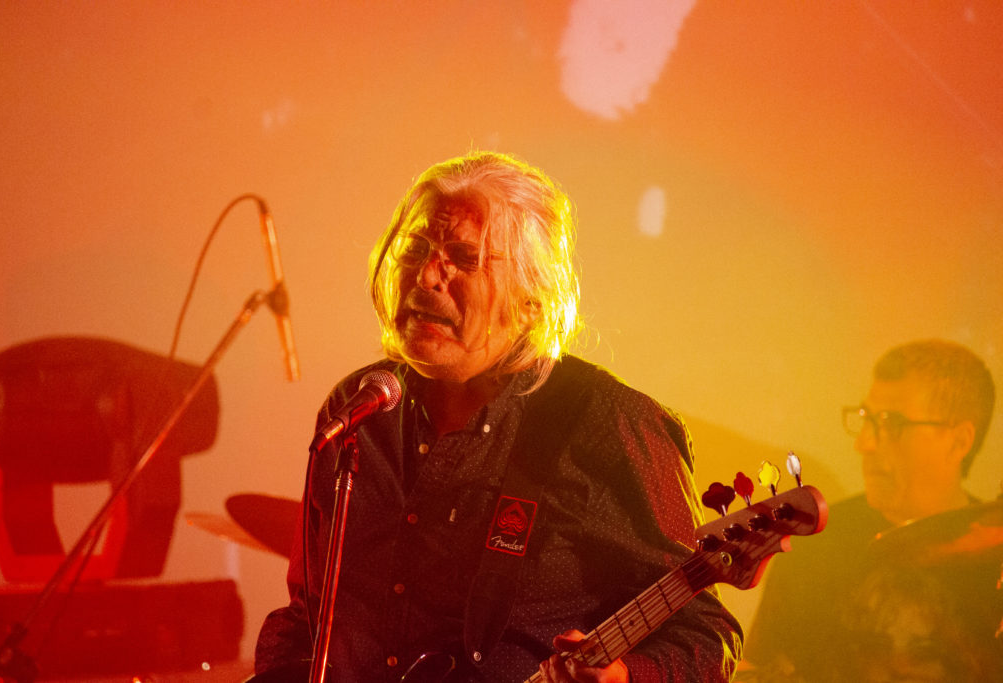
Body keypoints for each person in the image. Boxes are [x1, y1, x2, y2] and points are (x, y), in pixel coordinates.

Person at [253, 151, 742, 682]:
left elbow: (705, 635)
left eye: (463, 257)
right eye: (416, 249)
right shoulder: (360, 408)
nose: (426, 276)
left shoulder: (606, 424)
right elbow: (308, 620)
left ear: (532, 300)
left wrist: (631, 676)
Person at [743, 339, 998, 681]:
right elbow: (758, 668)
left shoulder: (995, 560)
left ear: (959, 441)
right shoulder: (812, 542)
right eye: (866, 418)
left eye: (891, 423)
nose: (864, 443)